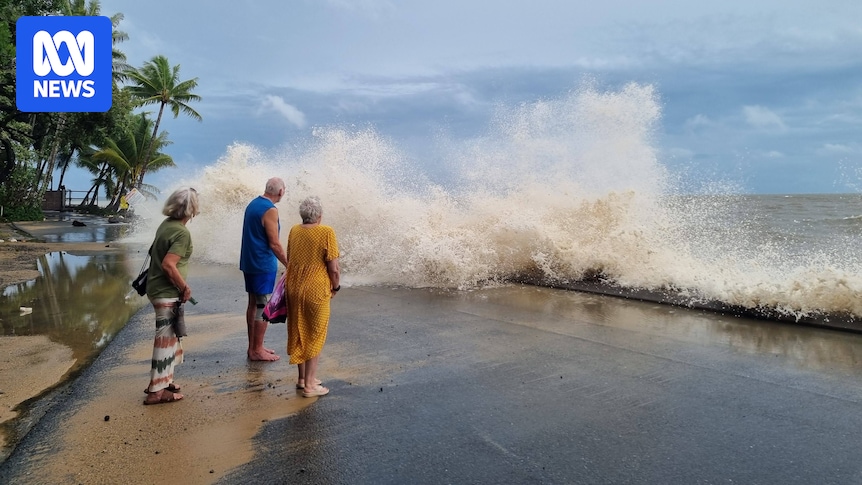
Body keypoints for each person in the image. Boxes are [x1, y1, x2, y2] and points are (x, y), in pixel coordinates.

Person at [143, 187, 199, 405]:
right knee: (165, 340)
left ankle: (163, 382)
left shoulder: (166, 225)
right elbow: (169, 264)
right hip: (166, 291)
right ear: (192, 210)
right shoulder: (182, 232)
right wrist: (184, 287)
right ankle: (156, 392)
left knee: (170, 338)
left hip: (156, 287)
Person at [285, 196, 340, 397]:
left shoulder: (294, 230)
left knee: (299, 329)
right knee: (315, 333)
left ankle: (302, 379)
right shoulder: (326, 232)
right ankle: (310, 386)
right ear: (319, 215)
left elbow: (290, 259)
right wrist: (336, 287)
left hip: (294, 286)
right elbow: (333, 268)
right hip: (316, 288)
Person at [240, 177, 290, 361]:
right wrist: (289, 264)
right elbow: (275, 244)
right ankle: (256, 350)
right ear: (281, 192)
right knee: (262, 305)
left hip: (249, 261)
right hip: (262, 263)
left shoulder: (253, 204)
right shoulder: (270, 210)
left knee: (253, 303)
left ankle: (253, 347)